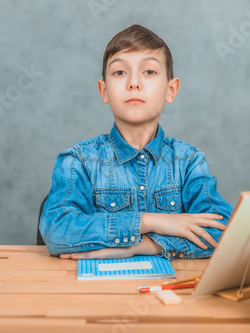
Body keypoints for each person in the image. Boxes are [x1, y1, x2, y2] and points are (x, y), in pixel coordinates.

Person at [40, 24, 233, 260]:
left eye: (149, 72)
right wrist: (152, 221)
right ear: (104, 91)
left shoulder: (189, 161)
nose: (134, 83)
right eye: (120, 72)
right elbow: (57, 230)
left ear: (171, 90)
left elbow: (226, 232)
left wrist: (142, 246)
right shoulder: (79, 161)